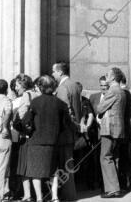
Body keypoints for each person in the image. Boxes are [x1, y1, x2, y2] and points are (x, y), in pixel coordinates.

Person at [21, 75, 72, 202]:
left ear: (40, 87)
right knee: (53, 170)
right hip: (53, 141)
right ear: (53, 87)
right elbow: (66, 124)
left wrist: (28, 130)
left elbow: (26, 121)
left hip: (36, 141)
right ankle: (54, 197)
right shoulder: (60, 104)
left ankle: (39, 198)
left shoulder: (35, 102)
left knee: (36, 172)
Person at [51, 61, 80, 201]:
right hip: (72, 131)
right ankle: (70, 194)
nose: (52, 74)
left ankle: (68, 195)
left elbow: (65, 111)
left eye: (54, 71)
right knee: (68, 163)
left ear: (60, 72)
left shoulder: (62, 87)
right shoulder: (74, 84)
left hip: (64, 132)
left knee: (64, 164)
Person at [96, 67, 127, 198]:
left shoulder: (112, 91)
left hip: (109, 129)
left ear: (113, 78)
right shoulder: (121, 91)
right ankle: (115, 187)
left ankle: (113, 189)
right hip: (117, 128)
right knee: (113, 157)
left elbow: (99, 108)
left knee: (105, 157)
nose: (106, 76)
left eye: (108, 75)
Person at [13, 74, 40, 202]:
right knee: (34, 166)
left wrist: (19, 126)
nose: (15, 88)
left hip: (26, 135)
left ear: (23, 86)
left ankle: (27, 195)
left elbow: (22, 114)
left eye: (17, 85)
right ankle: (36, 194)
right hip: (37, 135)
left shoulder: (26, 95)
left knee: (23, 166)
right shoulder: (37, 94)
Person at [88, 75, 108, 190]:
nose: (103, 88)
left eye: (105, 85)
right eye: (101, 85)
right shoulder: (93, 97)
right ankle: (93, 181)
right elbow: (90, 113)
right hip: (95, 133)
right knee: (94, 158)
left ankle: (103, 183)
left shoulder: (112, 96)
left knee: (105, 158)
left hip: (107, 133)